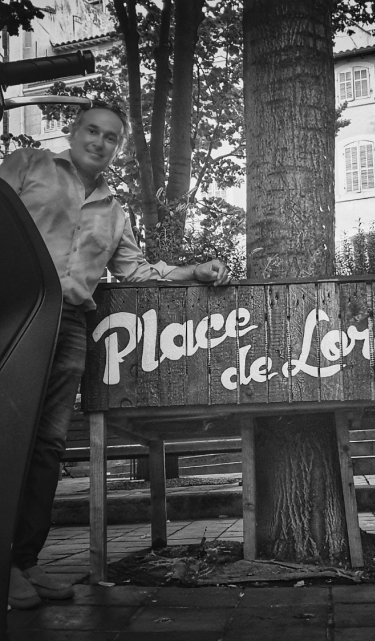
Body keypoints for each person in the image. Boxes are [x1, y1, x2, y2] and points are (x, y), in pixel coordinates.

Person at [2, 103, 231, 609]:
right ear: (72, 132)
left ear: (117, 149)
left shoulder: (114, 211)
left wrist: (193, 271)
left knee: (47, 444)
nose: (99, 142)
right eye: (92, 130)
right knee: (6, 431)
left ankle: (24, 561)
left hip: (68, 324)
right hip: (12, 310)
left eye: (110, 137)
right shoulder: (27, 165)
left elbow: (137, 272)